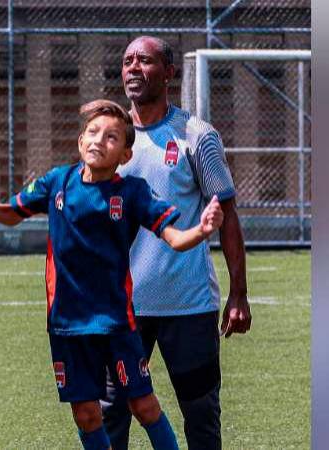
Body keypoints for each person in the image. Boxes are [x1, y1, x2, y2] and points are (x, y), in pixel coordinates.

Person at [0, 99, 222, 450]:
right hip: (65, 325)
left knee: (144, 405)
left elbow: (176, 238)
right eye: (92, 133)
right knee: (87, 416)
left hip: (115, 324)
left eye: (111, 137)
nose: (98, 141)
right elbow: (11, 213)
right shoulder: (56, 182)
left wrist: (201, 229)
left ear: (125, 154)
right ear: (80, 142)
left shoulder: (132, 192)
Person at [100, 36, 252, 450]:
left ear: (169, 72)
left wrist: (238, 294)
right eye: (127, 60)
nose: (133, 68)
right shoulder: (108, 139)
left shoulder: (196, 136)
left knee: (201, 417)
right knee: (110, 414)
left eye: (145, 61)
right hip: (122, 310)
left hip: (188, 306)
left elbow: (228, 215)